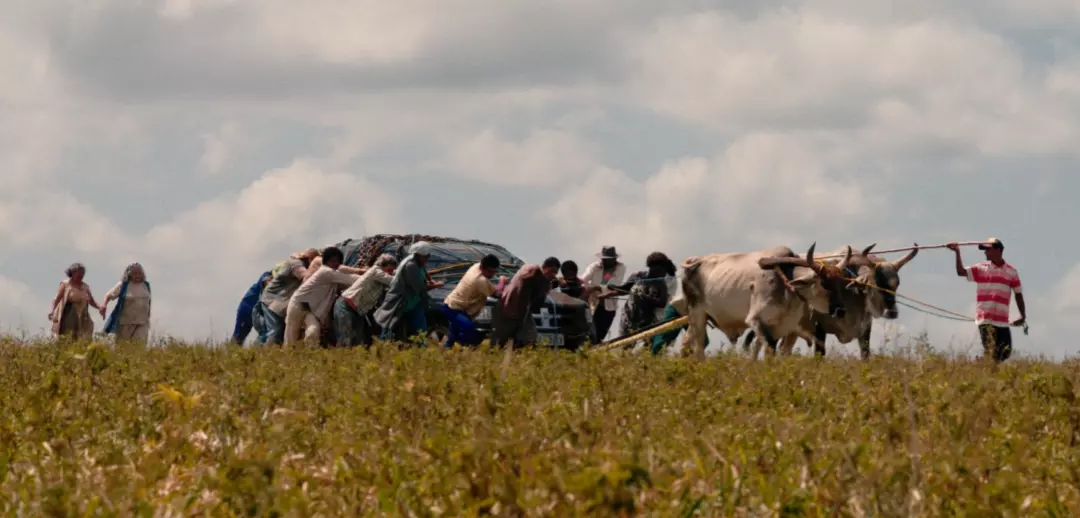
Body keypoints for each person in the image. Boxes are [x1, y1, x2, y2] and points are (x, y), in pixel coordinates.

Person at [947, 238, 1026, 363]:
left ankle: (981, 365)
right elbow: (960, 272)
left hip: (1002, 320)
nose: (985, 253)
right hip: (985, 318)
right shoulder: (981, 268)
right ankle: (984, 370)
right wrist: (957, 252)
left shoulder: (1012, 272)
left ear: (998, 250)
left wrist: (1023, 316)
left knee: (1005, 351)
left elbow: (1018, 294)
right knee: (991, 349)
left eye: (987, 249)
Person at [284, 246, 361, 347]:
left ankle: (310, 355)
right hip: (298, 303)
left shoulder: (332, 273)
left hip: (310, 308)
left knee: (313, 331)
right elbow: (350, 279)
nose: (335, 263)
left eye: (337, 261)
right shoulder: (326, 272)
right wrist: (368, 274)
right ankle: (288, 356)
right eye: (332, 261)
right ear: (326, 261)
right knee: (291, 333)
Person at [598, 252, 676, 346]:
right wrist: (611, 290)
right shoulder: (637, 275)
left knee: (648, 345)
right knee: (625, 345)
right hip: (628, 316)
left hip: (646, 320)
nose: (662, 275)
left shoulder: (660, 283)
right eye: (661, 272)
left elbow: (662, 303)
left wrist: (646, 298)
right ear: (651, 267)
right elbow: (625, 289)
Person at [373, 241, 445, 343]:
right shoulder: (410, 265)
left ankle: (421, 350)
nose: (427, 258)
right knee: (389, 328)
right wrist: (436, 285)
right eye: (426, 256)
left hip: (413, 302)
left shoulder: (418, 262)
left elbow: (424, 271)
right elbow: (420, 287)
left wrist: (430, 280)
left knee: (421, 329)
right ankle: (383, 349)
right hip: (399, 301)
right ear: (419, 255)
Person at [491, 257, 561, 348]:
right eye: (551, 271)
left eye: (555, 272)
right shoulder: (532, 269)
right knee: (499, 342)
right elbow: (528, 273)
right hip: (506, 309)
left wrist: (546, 288)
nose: (552, 274)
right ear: (544, 267)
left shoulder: (546, 284)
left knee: (529, 339)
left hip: (523, 313)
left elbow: (536, 306)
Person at [441, 254, 507, 348]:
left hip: (457, 305)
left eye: (494, 271)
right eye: (490, 271)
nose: (492, 274)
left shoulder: (475, 266)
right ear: (483, 268)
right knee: (468, 327)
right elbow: (497, 294)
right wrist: (502, 281)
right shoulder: (480, 280)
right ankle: (466, 348)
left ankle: (447, 348)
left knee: (455, 331)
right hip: (453, 308)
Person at [260, 248, 321, 346]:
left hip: (281, 301)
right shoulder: (296, 264)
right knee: (275, 332)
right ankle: (267, 353)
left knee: (281, 331)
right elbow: (306, 277)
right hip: (272, 300)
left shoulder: (297, 263)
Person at [335, 254, 398, 347]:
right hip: (346, 306)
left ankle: (355, 359)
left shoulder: (381, 276)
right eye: (389, 270)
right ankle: (340, 358)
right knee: (347, 338)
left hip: (357, 310)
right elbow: (394, 282)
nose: (389, 273)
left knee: (359, 340)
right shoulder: (376, 271)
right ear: (382, 266)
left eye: (391, 271)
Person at [581, 246, 626, 342]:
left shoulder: (619, 268)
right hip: (592, 304)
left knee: (599, 336)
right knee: (587, 333)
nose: (605, 261)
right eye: (604, 259)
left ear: (614, 259)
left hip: (609, 307)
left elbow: (613, 285)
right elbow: (584, 279)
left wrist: (594, 288)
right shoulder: (595, 266)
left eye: (608, 259)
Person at [49, 262, 103, 341]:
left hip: (83, 314)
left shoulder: (85, 287)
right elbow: (57, 298)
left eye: (83, 273)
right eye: (79, 273)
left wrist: (100, 307)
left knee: (84, 334)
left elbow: (91, 301)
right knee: (68, 335)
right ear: (73, 273)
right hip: (69, 313)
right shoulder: (65, 284)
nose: (81, 275)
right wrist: (52, 311)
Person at [101, 262, 153, 344]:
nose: (137, 275)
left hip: (143, 322)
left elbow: (148, 302)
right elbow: (108, 295)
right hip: (125, 323)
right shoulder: (123, 285)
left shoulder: (146, 285)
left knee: (139, 346)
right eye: (135, 273)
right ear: (130, 275)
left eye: (139, 273)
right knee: (123, 347)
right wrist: (104, 305)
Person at [231, 271, 272, 345]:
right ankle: (231, 352)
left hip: (258, 312)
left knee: (265, 333)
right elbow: (266, 281)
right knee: (239, 336)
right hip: (247, 309)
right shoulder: (267, 275)